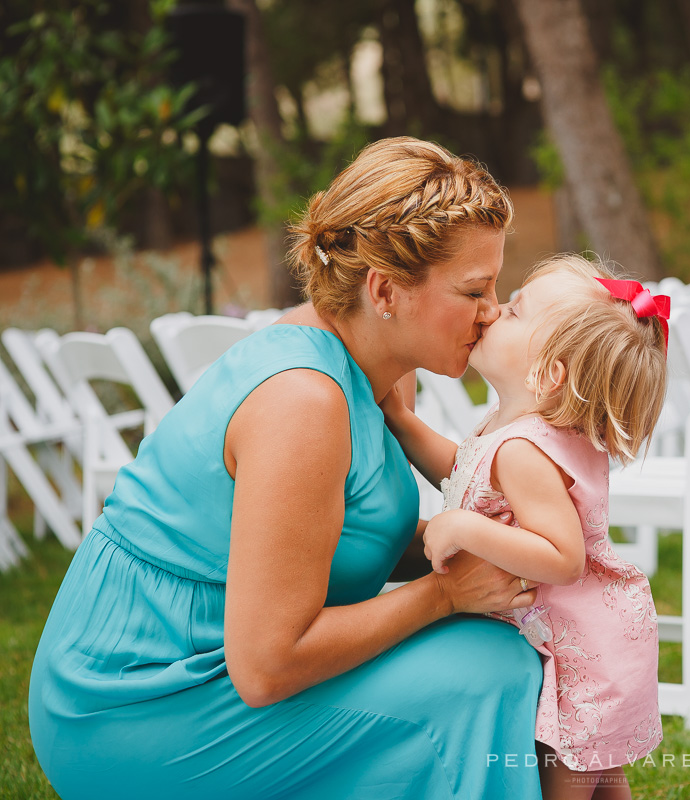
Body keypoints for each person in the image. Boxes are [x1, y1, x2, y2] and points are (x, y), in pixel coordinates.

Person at [28, 137, 546, 799]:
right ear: (385, 289)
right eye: (474, 289)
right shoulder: (302, 401)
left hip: (214, 670)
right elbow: (267, 665)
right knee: (484, 670)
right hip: (137, 704)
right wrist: (445, 594)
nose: (493, 310)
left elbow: (338, 529)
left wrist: (484, 543)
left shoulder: (375, 366)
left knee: (494, 643)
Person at [388, 254, 669, 799]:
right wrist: (402, 422)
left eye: (515, 312)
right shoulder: (520, 432)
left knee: (564, 784)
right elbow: (465, 469)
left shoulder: (523, 450)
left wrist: (464, 529)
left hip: (577, 660)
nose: (493, 314)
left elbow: (563, 557)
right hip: (588, 639)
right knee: (605, 782)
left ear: (550, 372)